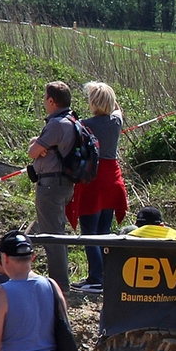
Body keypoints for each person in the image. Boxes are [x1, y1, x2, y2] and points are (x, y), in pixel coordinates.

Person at [67, 81, 128, 292]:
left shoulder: (84, 125)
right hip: (112, 180)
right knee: (104, 231)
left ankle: (95, 278)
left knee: (89, 232)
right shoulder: (115, 122)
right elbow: (119, 110)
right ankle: (105, 275)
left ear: (93, 103)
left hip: (92, 180)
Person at [27, 81, 78, 292]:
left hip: (51, 184)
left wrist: (36, 145)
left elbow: (32, 151)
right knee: (50, 229)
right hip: (63, 184)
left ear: (51, 101)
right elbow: (37, 147)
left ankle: (60, 286)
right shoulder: (73, 120)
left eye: (45, 98)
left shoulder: (57, 124)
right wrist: (38, 144)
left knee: (52, 236)